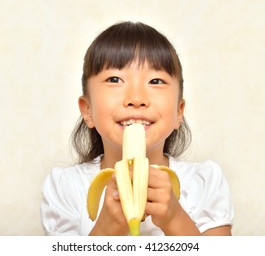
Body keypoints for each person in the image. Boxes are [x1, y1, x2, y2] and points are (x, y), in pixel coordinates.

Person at [40, 21, 234, 236]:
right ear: (87, 110)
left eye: (156, 81)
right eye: (115, 79)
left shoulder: (204, 182)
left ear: (179, 112)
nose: (136, 98)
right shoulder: (65, 187)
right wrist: (106, 230)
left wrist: (174, 218)